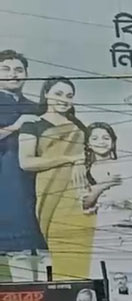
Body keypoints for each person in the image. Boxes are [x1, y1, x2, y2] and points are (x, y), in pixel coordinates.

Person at [19, 77, 92, 279]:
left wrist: (80, 162)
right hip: (49, 193)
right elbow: (26, 163)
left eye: (69, 96)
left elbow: (91, 157)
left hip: (79, 194)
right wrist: (69, 158)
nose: (64, 99)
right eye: (58, 94)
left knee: (81, 249)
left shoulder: (79, 127)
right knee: (58, 247)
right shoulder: (32, 125)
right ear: (46, 94)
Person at [82, 123, 132, 273]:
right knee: (105, 276)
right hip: (104, 232)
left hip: (131, 231)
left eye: (105, 137)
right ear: (88, 144)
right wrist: (105, 185)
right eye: (95, 138)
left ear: (113, 141)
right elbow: (85, 203)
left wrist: (131, 204)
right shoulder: (84, 171)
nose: (101, 142)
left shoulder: (127, 166)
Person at [0, 51, 43, 254]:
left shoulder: (36, 108)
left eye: (18, 70)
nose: (13, 74)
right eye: (5, 69)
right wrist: (15, 126)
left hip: (33, 183)